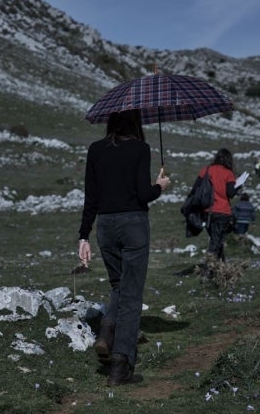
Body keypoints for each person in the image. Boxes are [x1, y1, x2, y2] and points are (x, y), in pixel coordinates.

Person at [77, 109, 171, 386]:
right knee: (131, 295)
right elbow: (144, 194)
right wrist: (160, 186)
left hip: (105, 226)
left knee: (119, 285)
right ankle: (121, 364)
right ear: (135, 122)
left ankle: (106, 330)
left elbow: (90, 196)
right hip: (133, 224)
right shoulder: (141, 148)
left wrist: (84, 236)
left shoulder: (95, 149)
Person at [198, 148, 240, 262]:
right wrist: (238, 187)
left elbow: (197, 189)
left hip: (206, 211)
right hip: (222, 211)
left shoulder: (205, 171)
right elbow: (231, 193)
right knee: (216, 241)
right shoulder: (228, 173)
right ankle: (208, 270)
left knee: (216, 240)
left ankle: (221, 267)